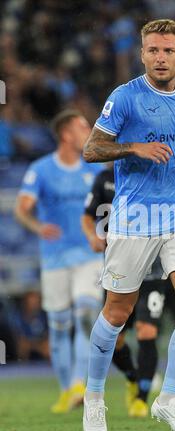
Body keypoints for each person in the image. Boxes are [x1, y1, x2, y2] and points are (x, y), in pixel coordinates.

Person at [81, 19, 175, 431]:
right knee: (117, 313)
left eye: (168, 51)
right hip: (134, 219)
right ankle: (95, 397)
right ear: (142, 54)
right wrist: (132, 146)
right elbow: (91, 149)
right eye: (153, 50)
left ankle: (169, 399)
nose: (160, 57)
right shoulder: (125, 98)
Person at [15, 110, 104, 413]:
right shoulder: (41, 170)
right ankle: (67, 389)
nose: (89, 131)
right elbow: (22, 209)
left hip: (89, 256)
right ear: (66, 134)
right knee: (59, 325)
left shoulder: (94, 170)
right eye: (83, 127)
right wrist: (39, 227)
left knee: (85, 314)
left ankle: (79, 382)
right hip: (54, 258)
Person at [82, 163, 166, 417]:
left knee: (146, 330)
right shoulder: (105, 178)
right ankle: (132, 376)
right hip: (119, 267)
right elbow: (88, 215)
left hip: (153, 267)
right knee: (115, 338)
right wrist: (92, 236)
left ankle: (141, 398)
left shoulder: (153, 171)